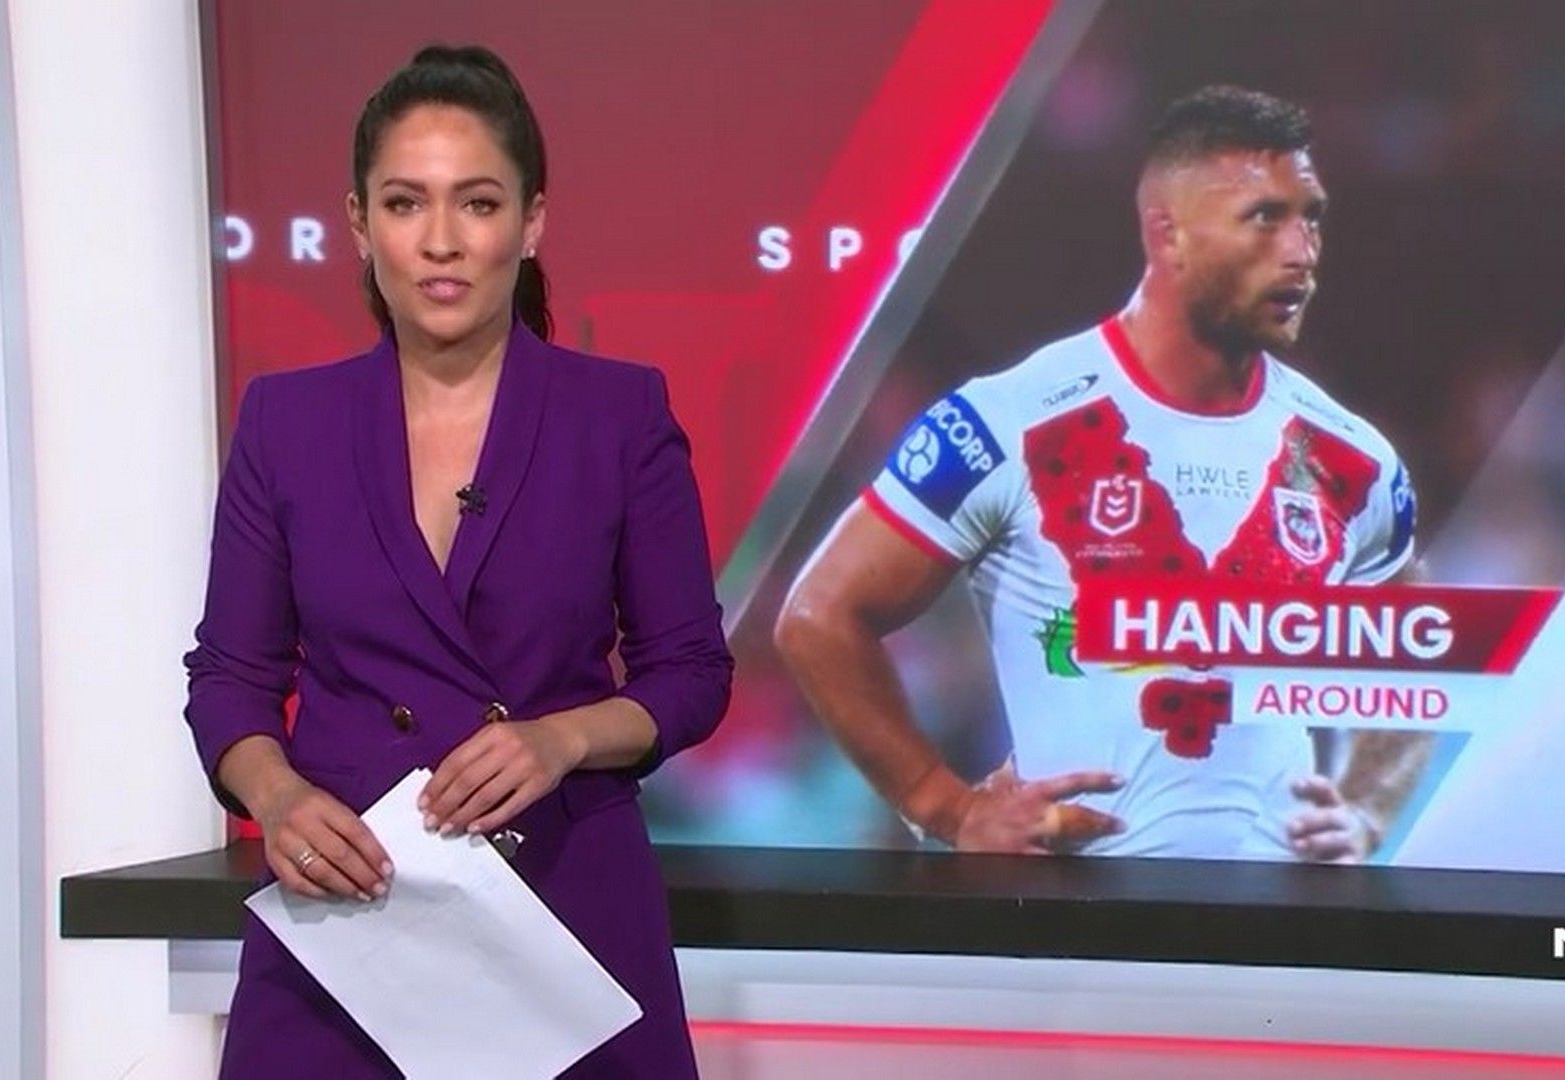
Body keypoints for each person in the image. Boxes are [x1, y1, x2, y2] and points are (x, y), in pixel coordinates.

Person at [182, 45, 730, 1077]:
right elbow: (229, 678)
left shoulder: (618, 415)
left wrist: (562, 739)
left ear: (531, 222)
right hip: (351, 912)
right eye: (405, 203)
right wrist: (277, 797)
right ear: (359, 224)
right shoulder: (286, 423)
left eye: (478, 204)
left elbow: (691, 672)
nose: (441, 241)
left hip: (561, 905)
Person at [776, 86, 1427, 862]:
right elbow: (819, 616)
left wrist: (1366, 811)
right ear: (1168, 233)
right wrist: (945, 807)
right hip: (1076, 922)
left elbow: (1419, 664)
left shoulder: (1353, 457)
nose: (1301, 251)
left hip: (1283, 922)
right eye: (1265, 218)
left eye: (1310, 217)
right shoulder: (1008, 421)